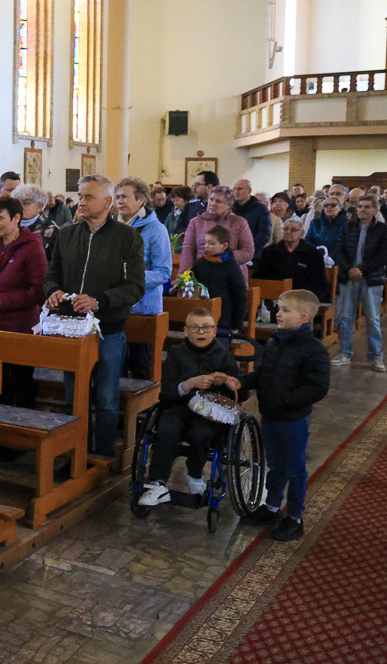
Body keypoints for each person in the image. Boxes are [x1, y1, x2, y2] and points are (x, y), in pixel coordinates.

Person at [43, 174, 145, 456]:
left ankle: (101, 458)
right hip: (71, 329)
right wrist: (53, 292)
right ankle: (75, 454)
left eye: (89, 197)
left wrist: (99, 301)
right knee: (74, 399)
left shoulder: (127, 238)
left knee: (107, 400)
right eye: (80, 196)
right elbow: (52, 275)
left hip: (108, 331)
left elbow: (135, 287)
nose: (81, 202)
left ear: (108, 201)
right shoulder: (67, 234)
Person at [237, 290, 330, 542]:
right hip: (271, 416)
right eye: (279, 308)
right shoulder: (274, 342)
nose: (278, 313)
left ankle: (295, 518)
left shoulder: (313, 350)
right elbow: (263, 375)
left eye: (285, 310)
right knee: (276, 465)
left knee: (295, 468)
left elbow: (318, 386)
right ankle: (272, 507)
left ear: (303, 318)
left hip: (293, 420)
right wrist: (241, 382)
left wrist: (287, 401)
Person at [136, 307, 242, 506]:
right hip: (178, 406)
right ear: (185, 331)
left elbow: (240, 393)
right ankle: (157, 482)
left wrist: (228, 381)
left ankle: (194, 474)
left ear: (214, 330)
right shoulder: (176, 353)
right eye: (195, 328)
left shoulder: (223, 355)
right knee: (167, 429)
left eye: (205, 328)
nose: (200, 332)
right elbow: (165, 393)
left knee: (201, 434)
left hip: (209, 411)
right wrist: (189, 384)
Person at [0, 197, 47, 406]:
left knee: (22, 383)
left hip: (21, 328)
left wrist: (1, 302)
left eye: (0, 218)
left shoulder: (32, 247)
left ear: (16, 218)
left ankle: (24, 432)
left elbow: (38, 291)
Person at [116, 177, 172, 379]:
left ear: (141, 201)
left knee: (140, 365)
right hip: (114, 306)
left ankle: (142, 409)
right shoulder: (110, 227)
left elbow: (164, 272)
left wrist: (129, 277)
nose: (120, 201)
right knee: (115, 363)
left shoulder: (156, 229)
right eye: (118, 197)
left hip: (143, 307)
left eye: (125, 197)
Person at [331, 195, 387, 371]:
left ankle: (376, 356)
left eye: (367, 207)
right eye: (360, 207)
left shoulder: (382, 230)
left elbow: (383, 256)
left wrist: (362, 269)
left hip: (371, 279)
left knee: (372, 318)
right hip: (349, 277)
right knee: (346, 316)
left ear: (375, 210)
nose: (363, 210)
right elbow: (338, 250)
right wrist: (349, 269)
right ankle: (345, 353)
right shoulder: (348, 227)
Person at [180, 185, 254, 284]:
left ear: (228, 205)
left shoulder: (239, 222)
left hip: (231, 277)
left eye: (218, 201)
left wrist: (223, 258)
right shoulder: (195, 222)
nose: (212, 203)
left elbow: (248, 251)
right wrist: (183, 276)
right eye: (211, 199)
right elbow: (188, 250)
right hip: (202, 274)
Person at [191, 225, 247, 336]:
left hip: (223, 320)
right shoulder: (199, 263)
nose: (206, 246)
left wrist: (236, 325)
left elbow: (240, 296)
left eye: (212, 243)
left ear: (224, 245)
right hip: (199, 317)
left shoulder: (231, 267)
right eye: (206, 242)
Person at [253, 217, 328, 300]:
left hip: (302, 299)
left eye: (293, 230)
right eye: (285, 229)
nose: (288, 232)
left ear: (302, 234)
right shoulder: (269, 252)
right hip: (273, 297)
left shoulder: (313, 254)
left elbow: (319, 283)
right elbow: (259, 278)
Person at [11, 183, 60, 256]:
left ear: (39, 206)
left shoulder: (51, 231)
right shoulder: (7, 226)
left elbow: (55, 263)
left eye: (25, 203)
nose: (19, 207)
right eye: (17, 203)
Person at [231, 178, 272, 251]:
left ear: (249, 191)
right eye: (234, 189)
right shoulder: (230, 209)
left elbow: (264, 235)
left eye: (240, 189)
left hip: (252, 254)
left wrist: (248, 250)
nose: (236, 192)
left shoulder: (261, 210)